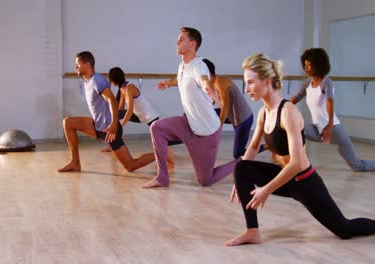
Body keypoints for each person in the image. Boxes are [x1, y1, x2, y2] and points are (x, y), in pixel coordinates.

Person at [225, 53, 375, 246]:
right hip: (284, 177)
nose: (247, 89)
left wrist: (266, 190)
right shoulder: (264, 113)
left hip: (304, 182)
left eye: (251, 83)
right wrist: (240, 181)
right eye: (246, 83)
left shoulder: (288, 112)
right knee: (241, 167)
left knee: (344, 229)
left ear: (267, 81)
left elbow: (296, 163)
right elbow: (253, 147)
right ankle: (252, 231)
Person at [141, 27, 238, 188]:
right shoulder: (182, 66)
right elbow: (182, 80)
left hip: (207, 133)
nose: (177, 41)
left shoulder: (199, 66)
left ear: (192, 44)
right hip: (188, 123)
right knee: (157, 127)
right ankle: (162, 177)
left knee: (205, 181)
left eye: (181, 39)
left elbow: (202, 79)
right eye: (178, 38)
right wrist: (168, 83)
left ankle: (239, 163)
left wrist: (209, 88)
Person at [290, 48, 375, 172]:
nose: (306, 68)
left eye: (309, 65)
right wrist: (280, 107)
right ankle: (292, 160)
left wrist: (329, 125)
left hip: (334, 130)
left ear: (318, 64)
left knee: (357, 166)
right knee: (295, 126)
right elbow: (296, 98)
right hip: (317, 130)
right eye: (305, 65)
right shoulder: (307, 83)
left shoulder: (326, 82)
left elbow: (330, 102)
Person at [58, 51, 155, 173]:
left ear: (87, 64)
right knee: (68, 122)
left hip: (110, 130)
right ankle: (75, 163)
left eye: (78, 64)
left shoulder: (97, 80)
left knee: (131, 166)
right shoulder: (88, 82)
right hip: (98, 126)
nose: (75, 67)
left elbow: (111, 100)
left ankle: (161, 154)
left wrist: (114, 124)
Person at [100, 67, 177, 168]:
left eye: (110, 80)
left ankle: (183, 139)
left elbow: (130, 110)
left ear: (114, 80)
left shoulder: (129, 88)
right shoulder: (122, 89)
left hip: (149, 116)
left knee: (164, 139)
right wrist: (116, 125)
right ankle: (115, 142)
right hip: (138, 116)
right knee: (116, 114)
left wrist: (119, 127)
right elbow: (120, 109)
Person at [202, 58, 265, 159]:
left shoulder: (219, 82)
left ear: (206, 73)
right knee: (206, 113)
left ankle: (268, 146)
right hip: (232, 115)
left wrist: (218, 128)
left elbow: (225, 107)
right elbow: (214, 102)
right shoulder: (212, 83)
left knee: (238, 154)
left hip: (243, 119)